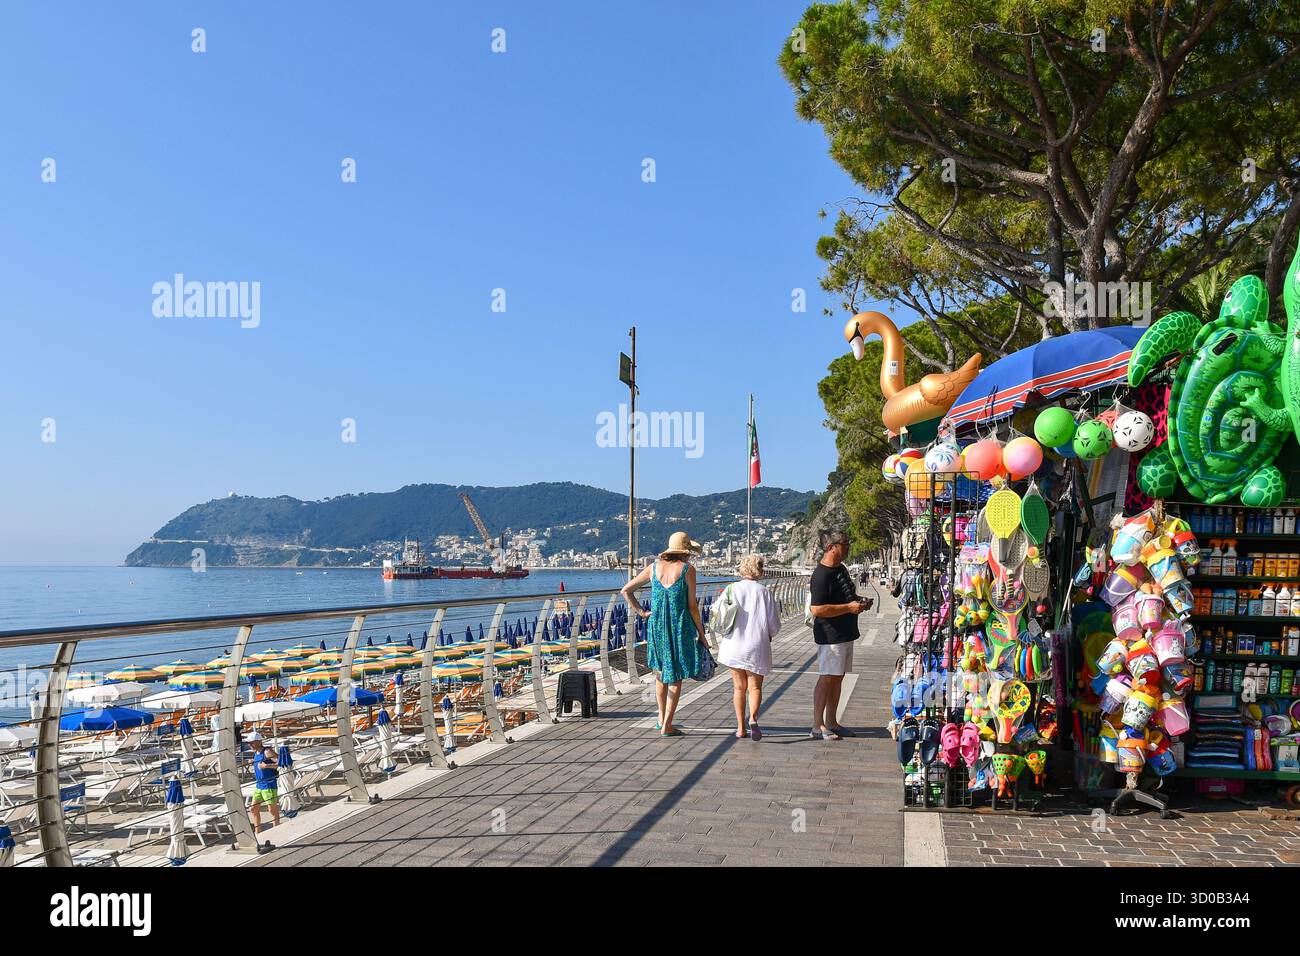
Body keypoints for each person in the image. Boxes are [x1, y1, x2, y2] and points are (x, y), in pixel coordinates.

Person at [622, 531, 707, 737]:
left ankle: (661, 719)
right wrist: (702, 633)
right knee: (676, 676)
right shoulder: (688, 570)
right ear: (686, 552)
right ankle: (668, 724)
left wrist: (642, 612)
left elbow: (626, 590)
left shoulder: (653, 568)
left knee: (660, 674)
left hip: (657, 626)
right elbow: (692, 606)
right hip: (679, 627)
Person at [809, 529, 872, 740]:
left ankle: (832, 722)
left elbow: (846, 597)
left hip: (845, 632)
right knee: (827, 677)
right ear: (831, 547)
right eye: (844, 543)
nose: (848, 546)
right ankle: (817, 726)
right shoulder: (820, 575)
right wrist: (848, 607)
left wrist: (860, 602)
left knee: (838, 677)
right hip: (830, 635)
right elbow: (816, 609)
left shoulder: (841, 569)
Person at [716, 554, 781, 741]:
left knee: (738, 688)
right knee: (755, 687)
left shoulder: (731, 589)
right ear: (759, 570)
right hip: (756, 645)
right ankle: (753, 718)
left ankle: (740, 728)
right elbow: (774, 624)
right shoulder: (764, 592)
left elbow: (718, 614)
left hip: (734, 645)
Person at [246, 731, 280, 831]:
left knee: (272, 810)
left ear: (258, 742)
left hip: (269, 785)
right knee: (253, 809)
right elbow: (259, 763)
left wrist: (267, 766)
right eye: (249, 743)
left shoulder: (267, 751)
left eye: (251, 742)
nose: (249, 745)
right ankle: (258, 833)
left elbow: (281, 763)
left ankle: (277, 831)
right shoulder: (255, 753)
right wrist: (253, 762)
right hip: (259, 785)